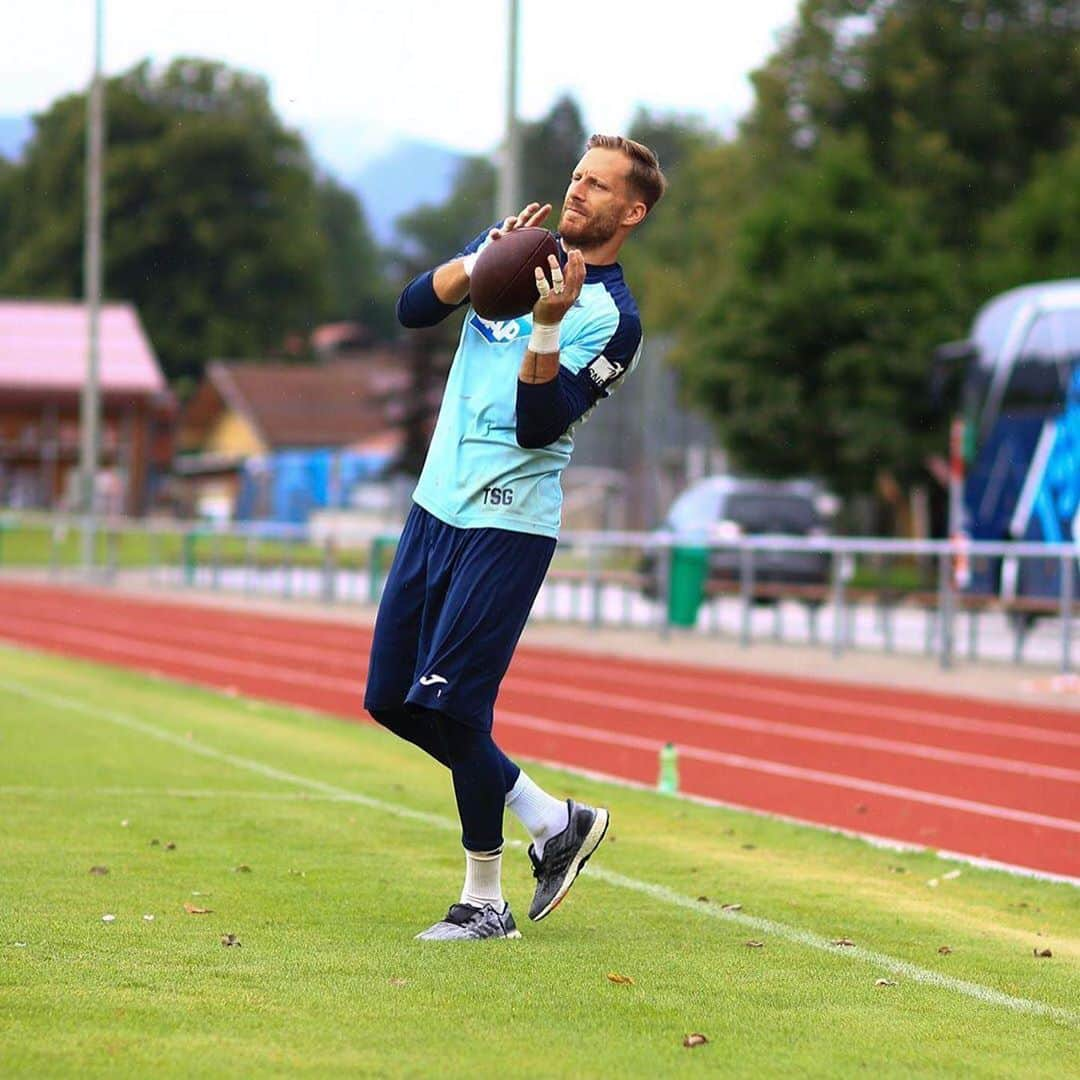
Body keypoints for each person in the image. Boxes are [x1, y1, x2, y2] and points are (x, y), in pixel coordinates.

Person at [364, 134, 666, 940]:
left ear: (631, 212)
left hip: (506, 519)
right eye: (576, 176)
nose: (578, 192)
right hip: (436, 506)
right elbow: (410, 309)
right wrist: (475, 263)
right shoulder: (515, 252)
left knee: (457, 706)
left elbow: (540, 426)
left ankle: (485, 901)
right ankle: (552, 821)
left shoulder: (614, 319)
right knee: (390, 700)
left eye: (598, 186)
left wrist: (544, 326)